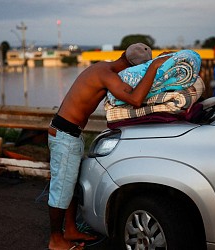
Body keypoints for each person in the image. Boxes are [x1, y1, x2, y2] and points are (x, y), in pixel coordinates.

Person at [47, 43, 170, 250]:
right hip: (64, 135)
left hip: (70, 133)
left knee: (70, 186)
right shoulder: (106, 75)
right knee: (61, 190)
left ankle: (70, 230)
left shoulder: (103, 67)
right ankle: (55, 240)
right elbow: (135, 99)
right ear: (132, 67)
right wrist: (154, 68)